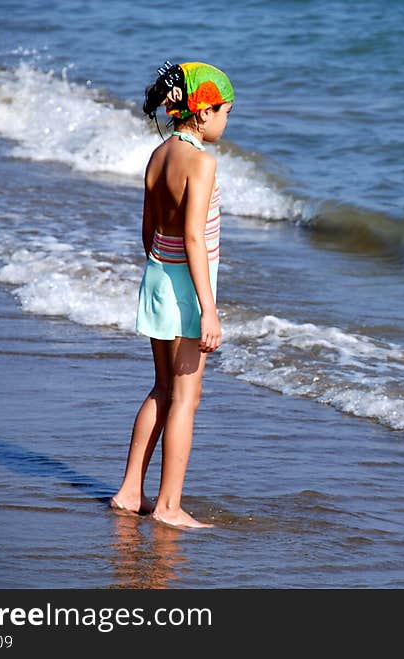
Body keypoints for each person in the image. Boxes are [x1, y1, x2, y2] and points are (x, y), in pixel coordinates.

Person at [110, 61, 234, 528]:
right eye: (225, 112)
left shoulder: (159, 154)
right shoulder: (201, 162)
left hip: (158, 277)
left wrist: (160, 275)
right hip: (186, 288)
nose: (226, 121)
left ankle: (128, 492)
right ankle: (168, 506)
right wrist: (209, 311)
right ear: (202, 113)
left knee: (162, 388)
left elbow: (149, 231)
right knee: (187, 397)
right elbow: (195, 238)